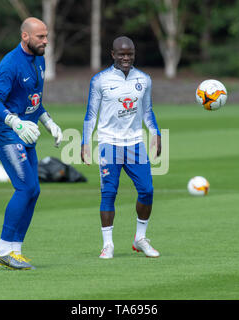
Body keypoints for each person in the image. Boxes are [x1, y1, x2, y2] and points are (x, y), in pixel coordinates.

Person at [0, 17, 63, 270]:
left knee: (34, 190)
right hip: (6, 133)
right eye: (40, 37)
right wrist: (14, 122)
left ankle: (15, 252)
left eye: (46, 35)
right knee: (25, 188)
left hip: (26, 132)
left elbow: (34, 101)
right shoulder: (9, 65)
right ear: (25, 37)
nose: (46, 41)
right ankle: (2, 250)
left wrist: (49, 122)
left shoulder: (40, 59)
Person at [81, 36, 162, 259]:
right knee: (109, 193)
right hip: (109, 143)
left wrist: (156, 133)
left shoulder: (144, 79)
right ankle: (108, 245)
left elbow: (147, 111)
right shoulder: (100, 80)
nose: (126, 58)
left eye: (130, 54)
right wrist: (85, 142)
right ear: (113, 54)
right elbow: (91, 114)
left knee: (147, 190)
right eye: (122, 54)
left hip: (135, 143)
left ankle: (140, 238)